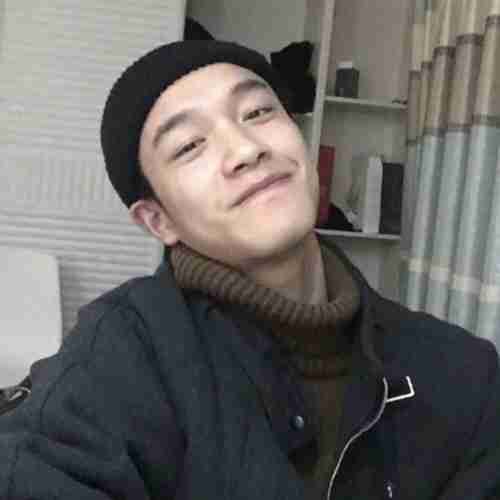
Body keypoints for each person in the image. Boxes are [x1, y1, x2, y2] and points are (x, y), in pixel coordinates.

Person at [1, 39, 499, 500]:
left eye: (259, 112)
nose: (246, 149)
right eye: (189, 146)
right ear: (158, 220)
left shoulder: (463, 374)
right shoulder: (119, 355)